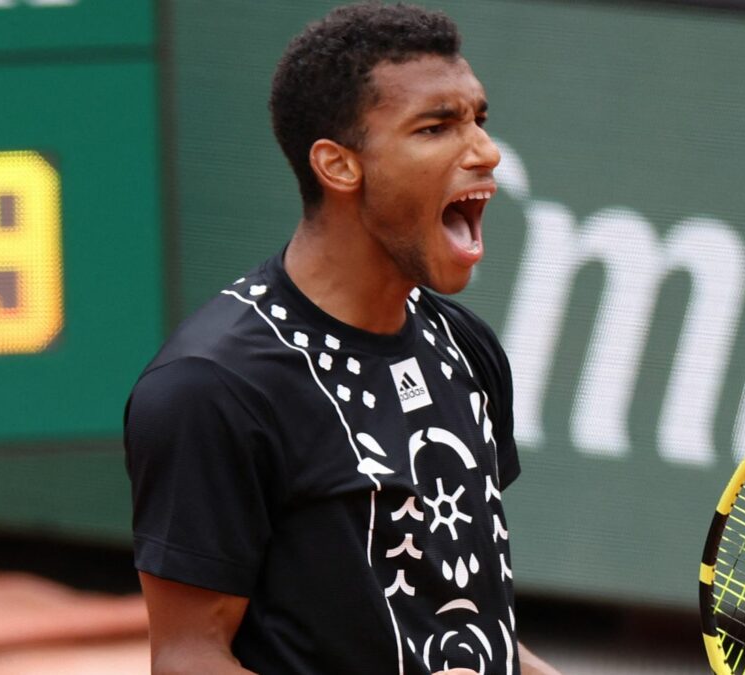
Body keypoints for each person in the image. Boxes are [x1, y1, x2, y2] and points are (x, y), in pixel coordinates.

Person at [123, 3, 560, 674]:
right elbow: (189, 657)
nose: (485, 151)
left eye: (479, 119)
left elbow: (477, 630)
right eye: (437, 126)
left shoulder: (467, 351)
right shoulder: (212, 389)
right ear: (339, 165)